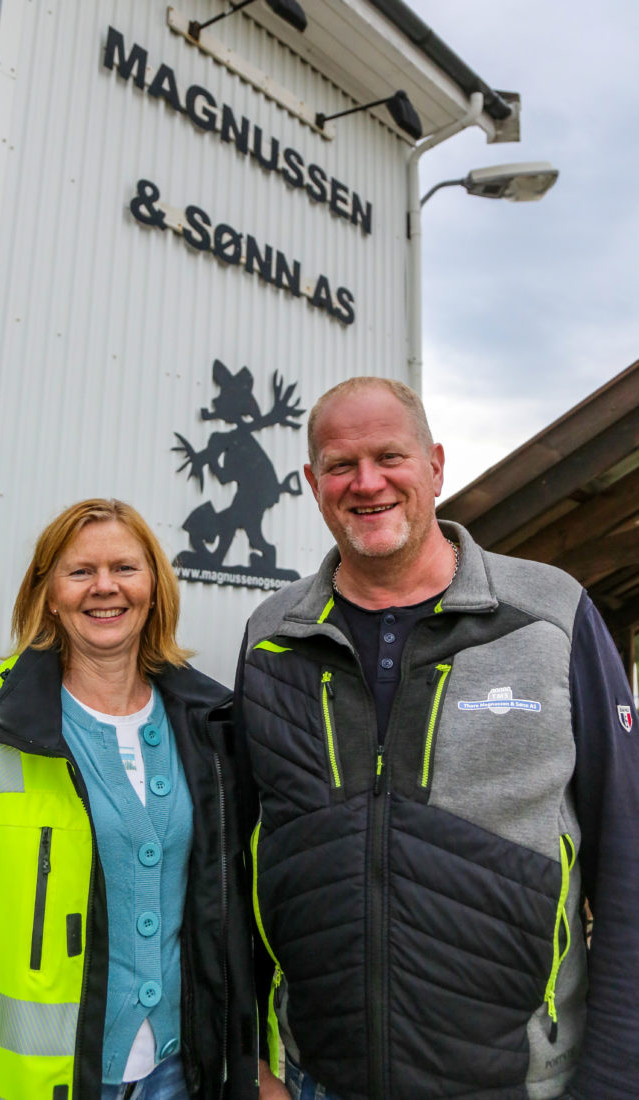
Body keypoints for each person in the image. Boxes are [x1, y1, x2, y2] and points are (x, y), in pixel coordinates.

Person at [235, 377, 639, 1100]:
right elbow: (241, 862)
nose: (367, 483)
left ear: (435, 466)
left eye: (390, 456)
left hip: (519, 1083)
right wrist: (250, 1063)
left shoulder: (550, 616)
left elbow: (628, 857)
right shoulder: (273, 636)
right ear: (312, 482)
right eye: (340, 465)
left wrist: (614, 1079)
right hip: (313, 1080)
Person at [0, 499, 258, 1100]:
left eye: (126, 569)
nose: (105, 587)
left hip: (181, 1077)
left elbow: (245, 916)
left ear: (154, 588)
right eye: (80, 572)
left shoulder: (213, 727)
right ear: (49, 594)